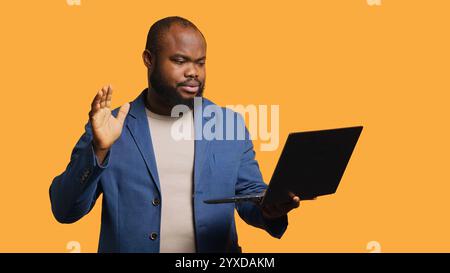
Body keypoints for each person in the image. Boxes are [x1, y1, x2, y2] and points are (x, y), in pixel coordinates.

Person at [49, 16, 300, 253]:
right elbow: (65, 209)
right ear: (149, 59)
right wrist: (98, 150)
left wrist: (270, 208)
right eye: (180, 61)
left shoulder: (228, 124)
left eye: (200, 62)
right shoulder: (110, 125)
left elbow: (248, 196)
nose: (194, 72)